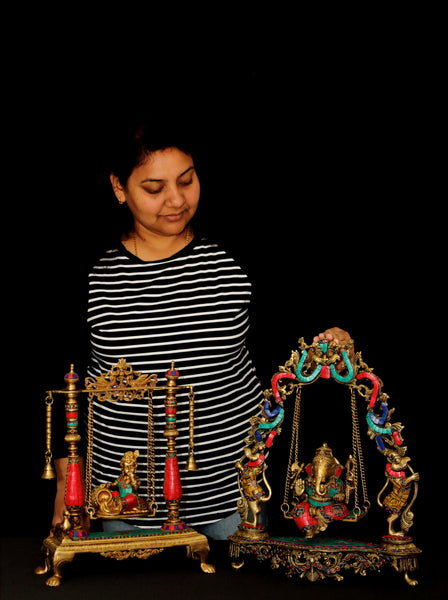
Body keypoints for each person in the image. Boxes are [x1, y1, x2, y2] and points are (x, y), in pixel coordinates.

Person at [50, 116, 352, 540]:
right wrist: (67, 488)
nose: (175, 200)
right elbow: (63, 388)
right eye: (154, 189)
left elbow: (292, 337)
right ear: (120, 188)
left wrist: (332, 340)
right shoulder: (91, 271)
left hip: (234, 495)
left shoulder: (235, 254)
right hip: (127, 500)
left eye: (186, 181)